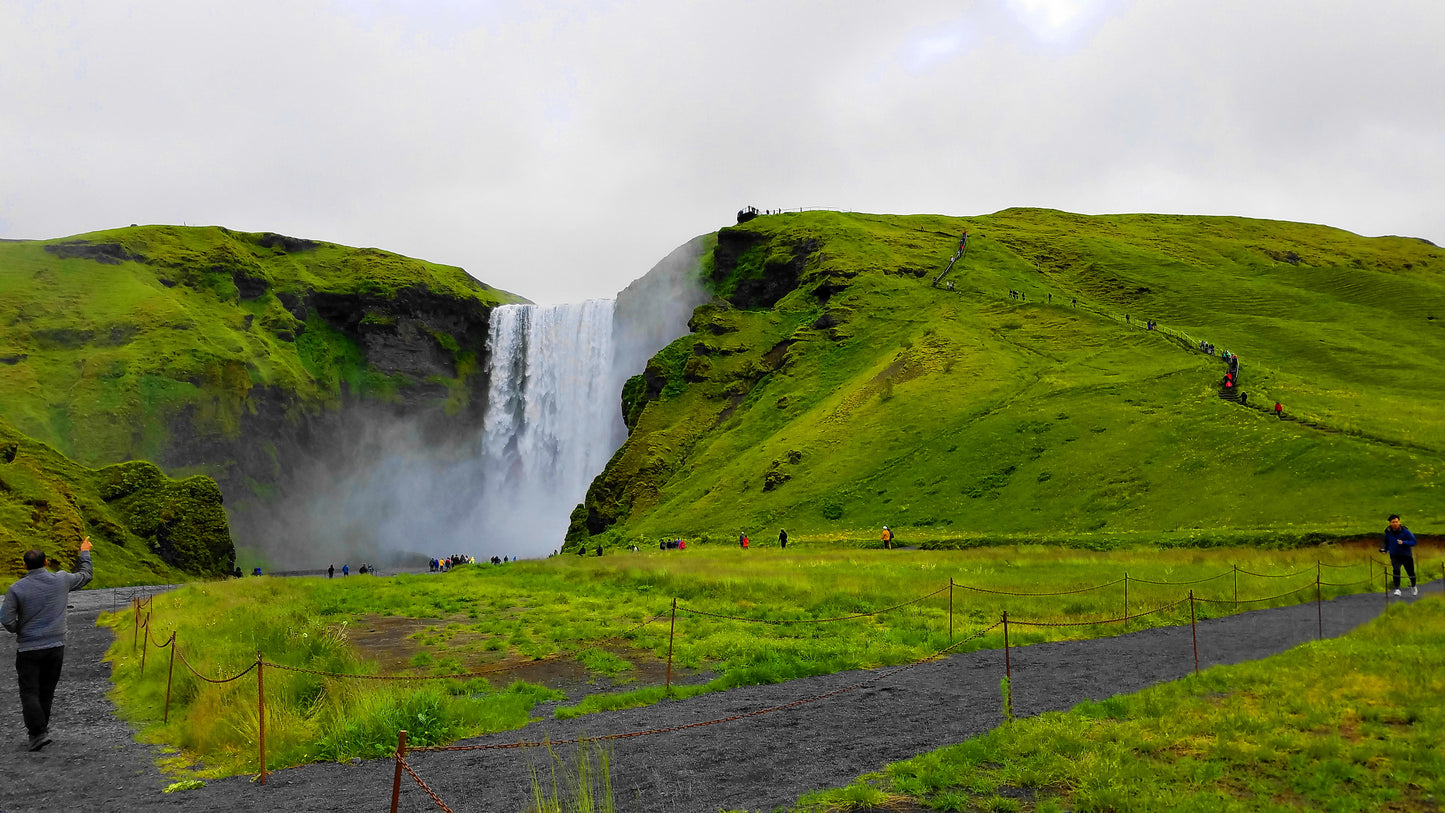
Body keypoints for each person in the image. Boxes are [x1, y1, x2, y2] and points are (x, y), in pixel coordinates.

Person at [2, 536, 93, 751]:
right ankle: (41, 730)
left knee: (29, 691)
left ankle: (37, 733)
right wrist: (84, 551)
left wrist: (19, 629)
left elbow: (6, 619)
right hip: (56, 646)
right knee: (47, 690)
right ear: (45, 563)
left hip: (29, 648)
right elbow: (86, 575)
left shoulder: (16, 589)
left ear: (24, 566)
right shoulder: (61, 580)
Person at [1381, 514, 1418, 597]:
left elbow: (1414, 541)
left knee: (1410, 571)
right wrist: (1384, 549)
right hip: (1395, 555)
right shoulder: (1388, 532)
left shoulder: (1405, 531)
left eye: (1396, 522)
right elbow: (1386, 542)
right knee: (1396, 570)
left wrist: (1404, 542)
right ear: (1390, 523)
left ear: (1399, 522)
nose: (1395, 523)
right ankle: (1397, 589)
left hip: (1406, 555)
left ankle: (1413, 586)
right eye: (1393, 522)